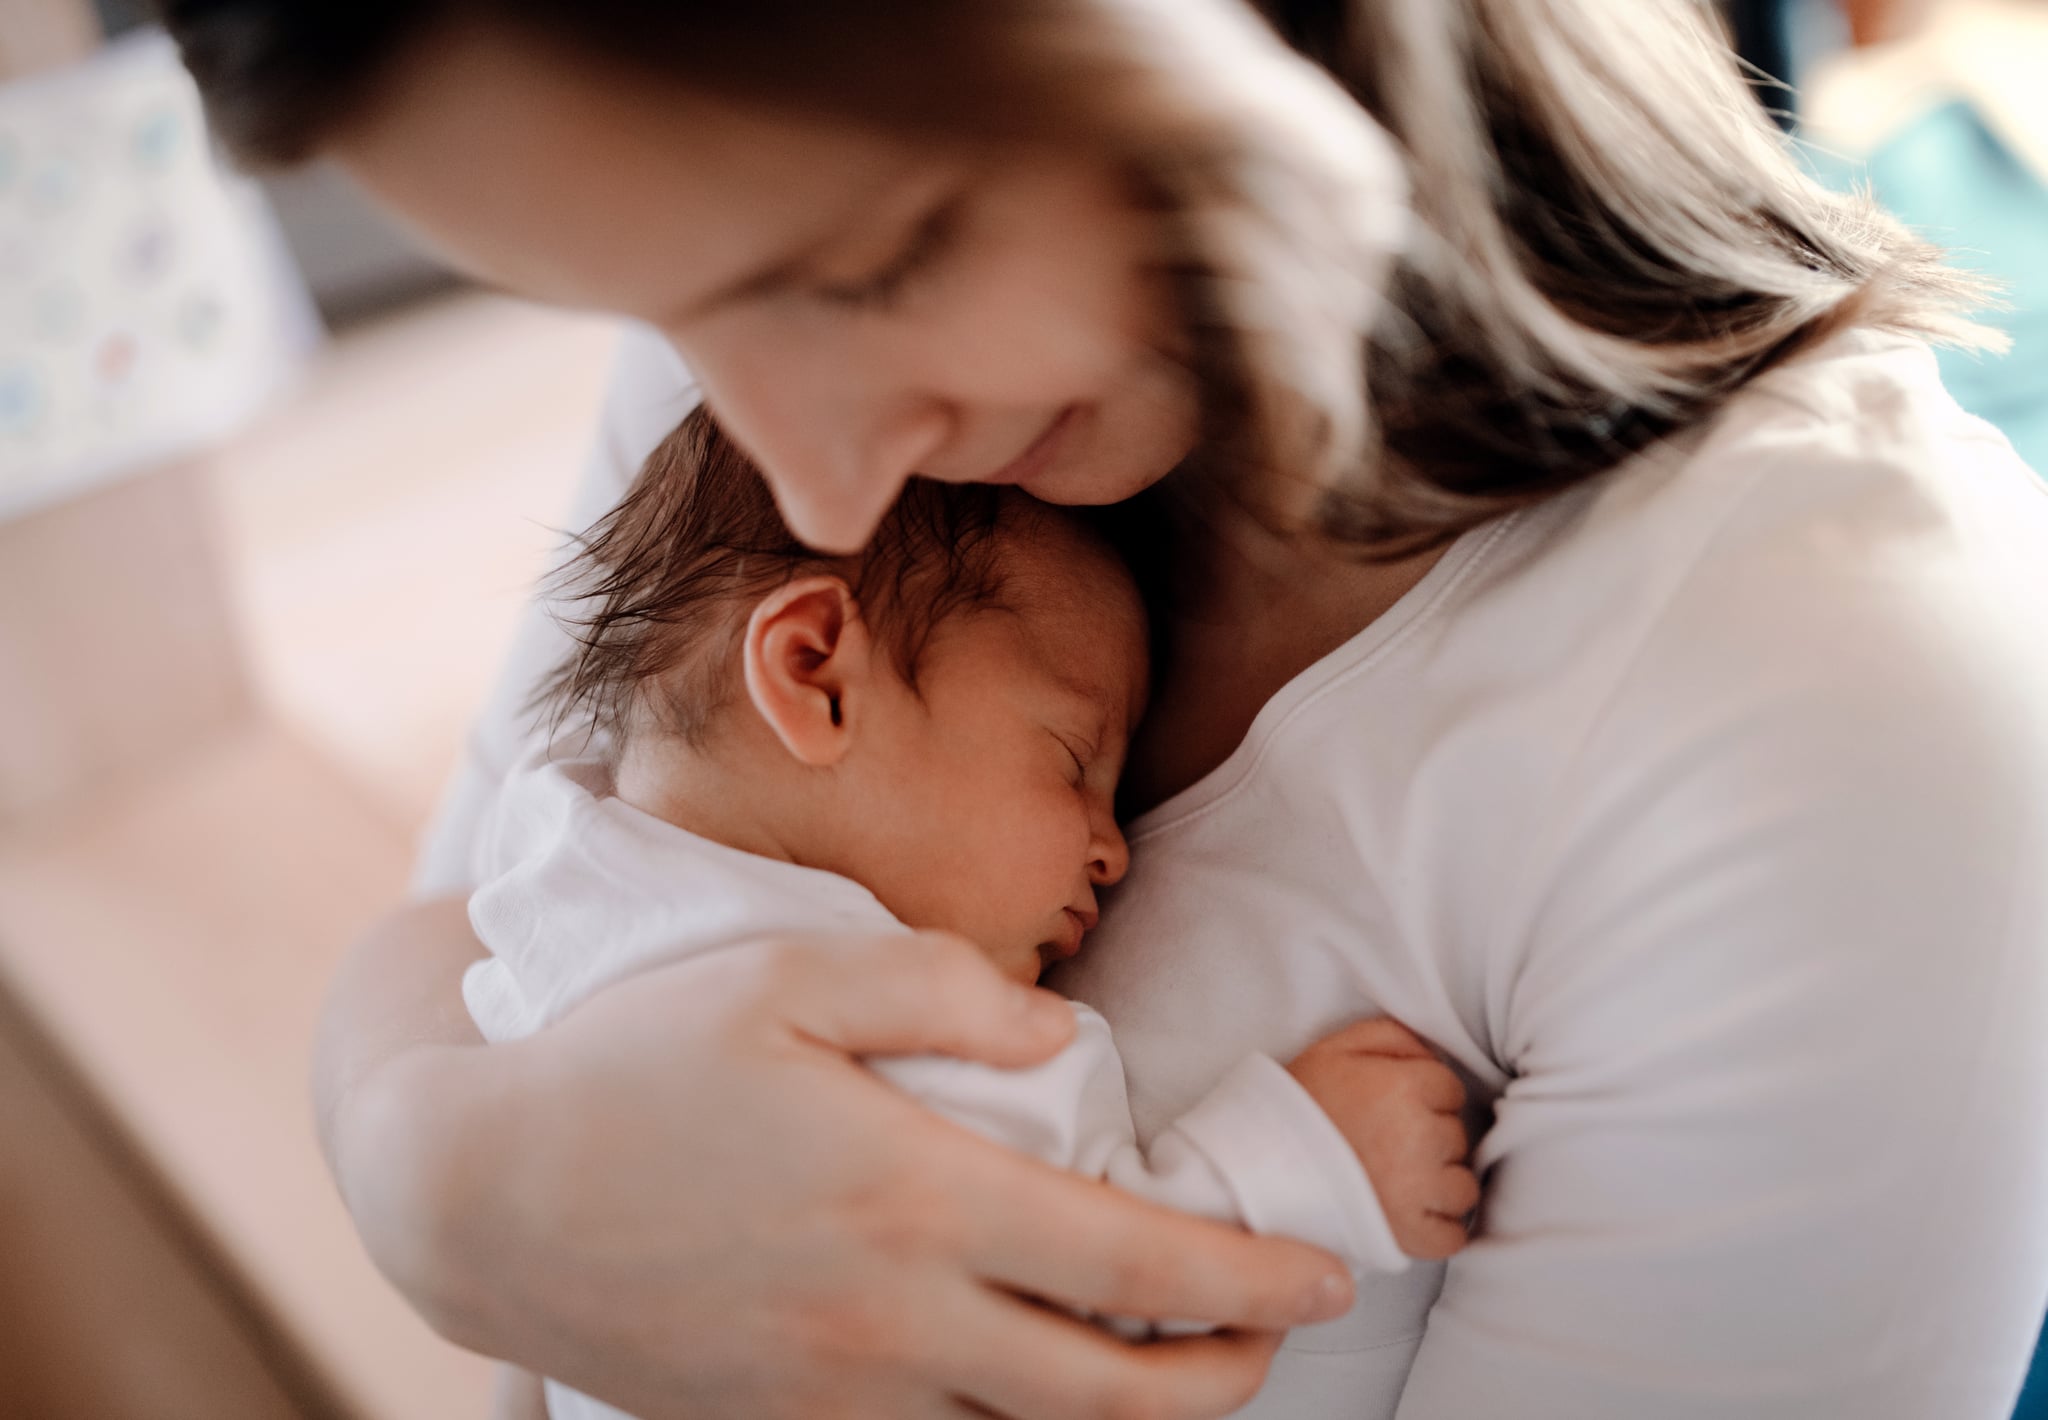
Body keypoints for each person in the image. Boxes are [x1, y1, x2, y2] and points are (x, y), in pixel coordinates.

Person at [158, 0, 2048, 1416]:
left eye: (868, 264)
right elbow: (465, 922)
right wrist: (446, 1186)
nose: (806, 478)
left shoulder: (1839, 702)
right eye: (660, 307)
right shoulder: (796, 399)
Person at [469, 405, 1476, 1419]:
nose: (1112, 846)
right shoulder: (886, 1015)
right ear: (814, 675)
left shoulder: (556, 875)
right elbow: (1062, 1318)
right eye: (1074, 761)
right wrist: (1300, 1161)